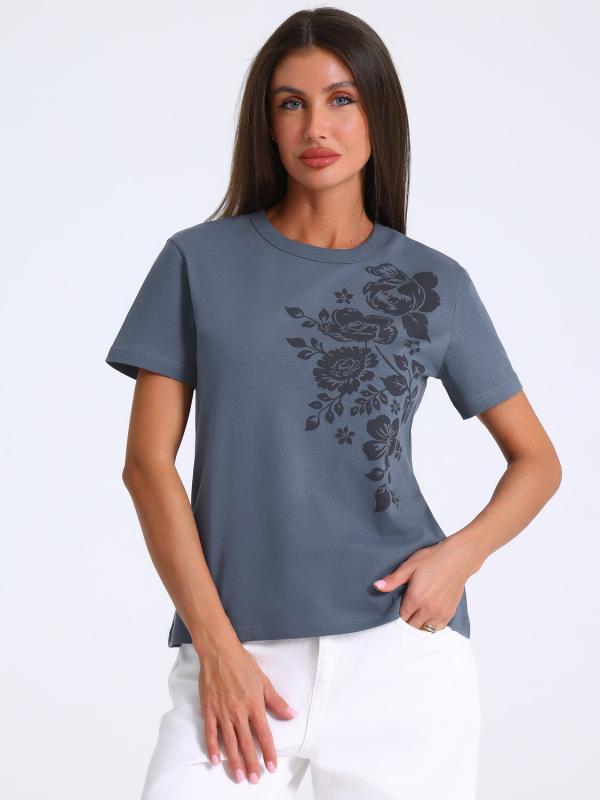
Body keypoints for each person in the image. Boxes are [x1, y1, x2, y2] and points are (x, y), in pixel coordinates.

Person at [105, 7, 561, 799]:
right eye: (291, 103)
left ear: (378, 114)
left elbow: (538, 462)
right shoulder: (197, 262)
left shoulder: (434, 283)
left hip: (401, 657)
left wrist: (459, 557)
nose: (315, 125)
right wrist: (216, 647)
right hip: (238, 653)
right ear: (267, 124)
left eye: (341, 99)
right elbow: (147, 467)